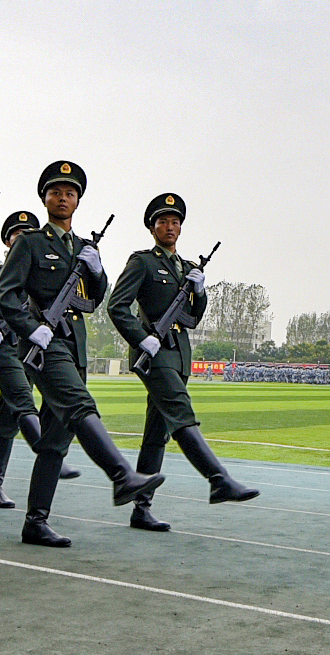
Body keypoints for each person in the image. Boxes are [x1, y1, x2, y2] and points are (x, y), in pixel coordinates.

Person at [0, 160, 163, 547]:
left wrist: (97, 271)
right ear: (45, 198)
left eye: (70, 193)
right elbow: (6, 293)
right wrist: (29, 327)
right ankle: (122, 476)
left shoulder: (82, 247)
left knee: (55, 437)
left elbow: (94, 300)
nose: (62, 198)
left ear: (78, 201)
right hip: (43, 343)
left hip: (75, 344)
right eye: (55, 192)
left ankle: (35, 522)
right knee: (80, 404)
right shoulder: (31, 243)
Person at [106, 192, 258, 531]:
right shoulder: (142, 262)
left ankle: (141, 509)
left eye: (175, 222)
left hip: (179, 354)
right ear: (152, 227)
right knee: (180, 412)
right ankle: (218, 479)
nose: (170, 227)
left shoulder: (188, 269)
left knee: (156, 433)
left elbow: (192, 316)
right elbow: (117, 306)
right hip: (154, 353)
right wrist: (140, 336)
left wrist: (200, 292)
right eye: (163, 222)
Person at [0, 209, 72, 507]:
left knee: (12, 416)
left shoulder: (46, 270)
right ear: (7, 242)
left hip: (37, 347)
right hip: (7, 347)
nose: (23, 239)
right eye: (17, 235)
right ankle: (35, 456)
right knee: (18, 407)